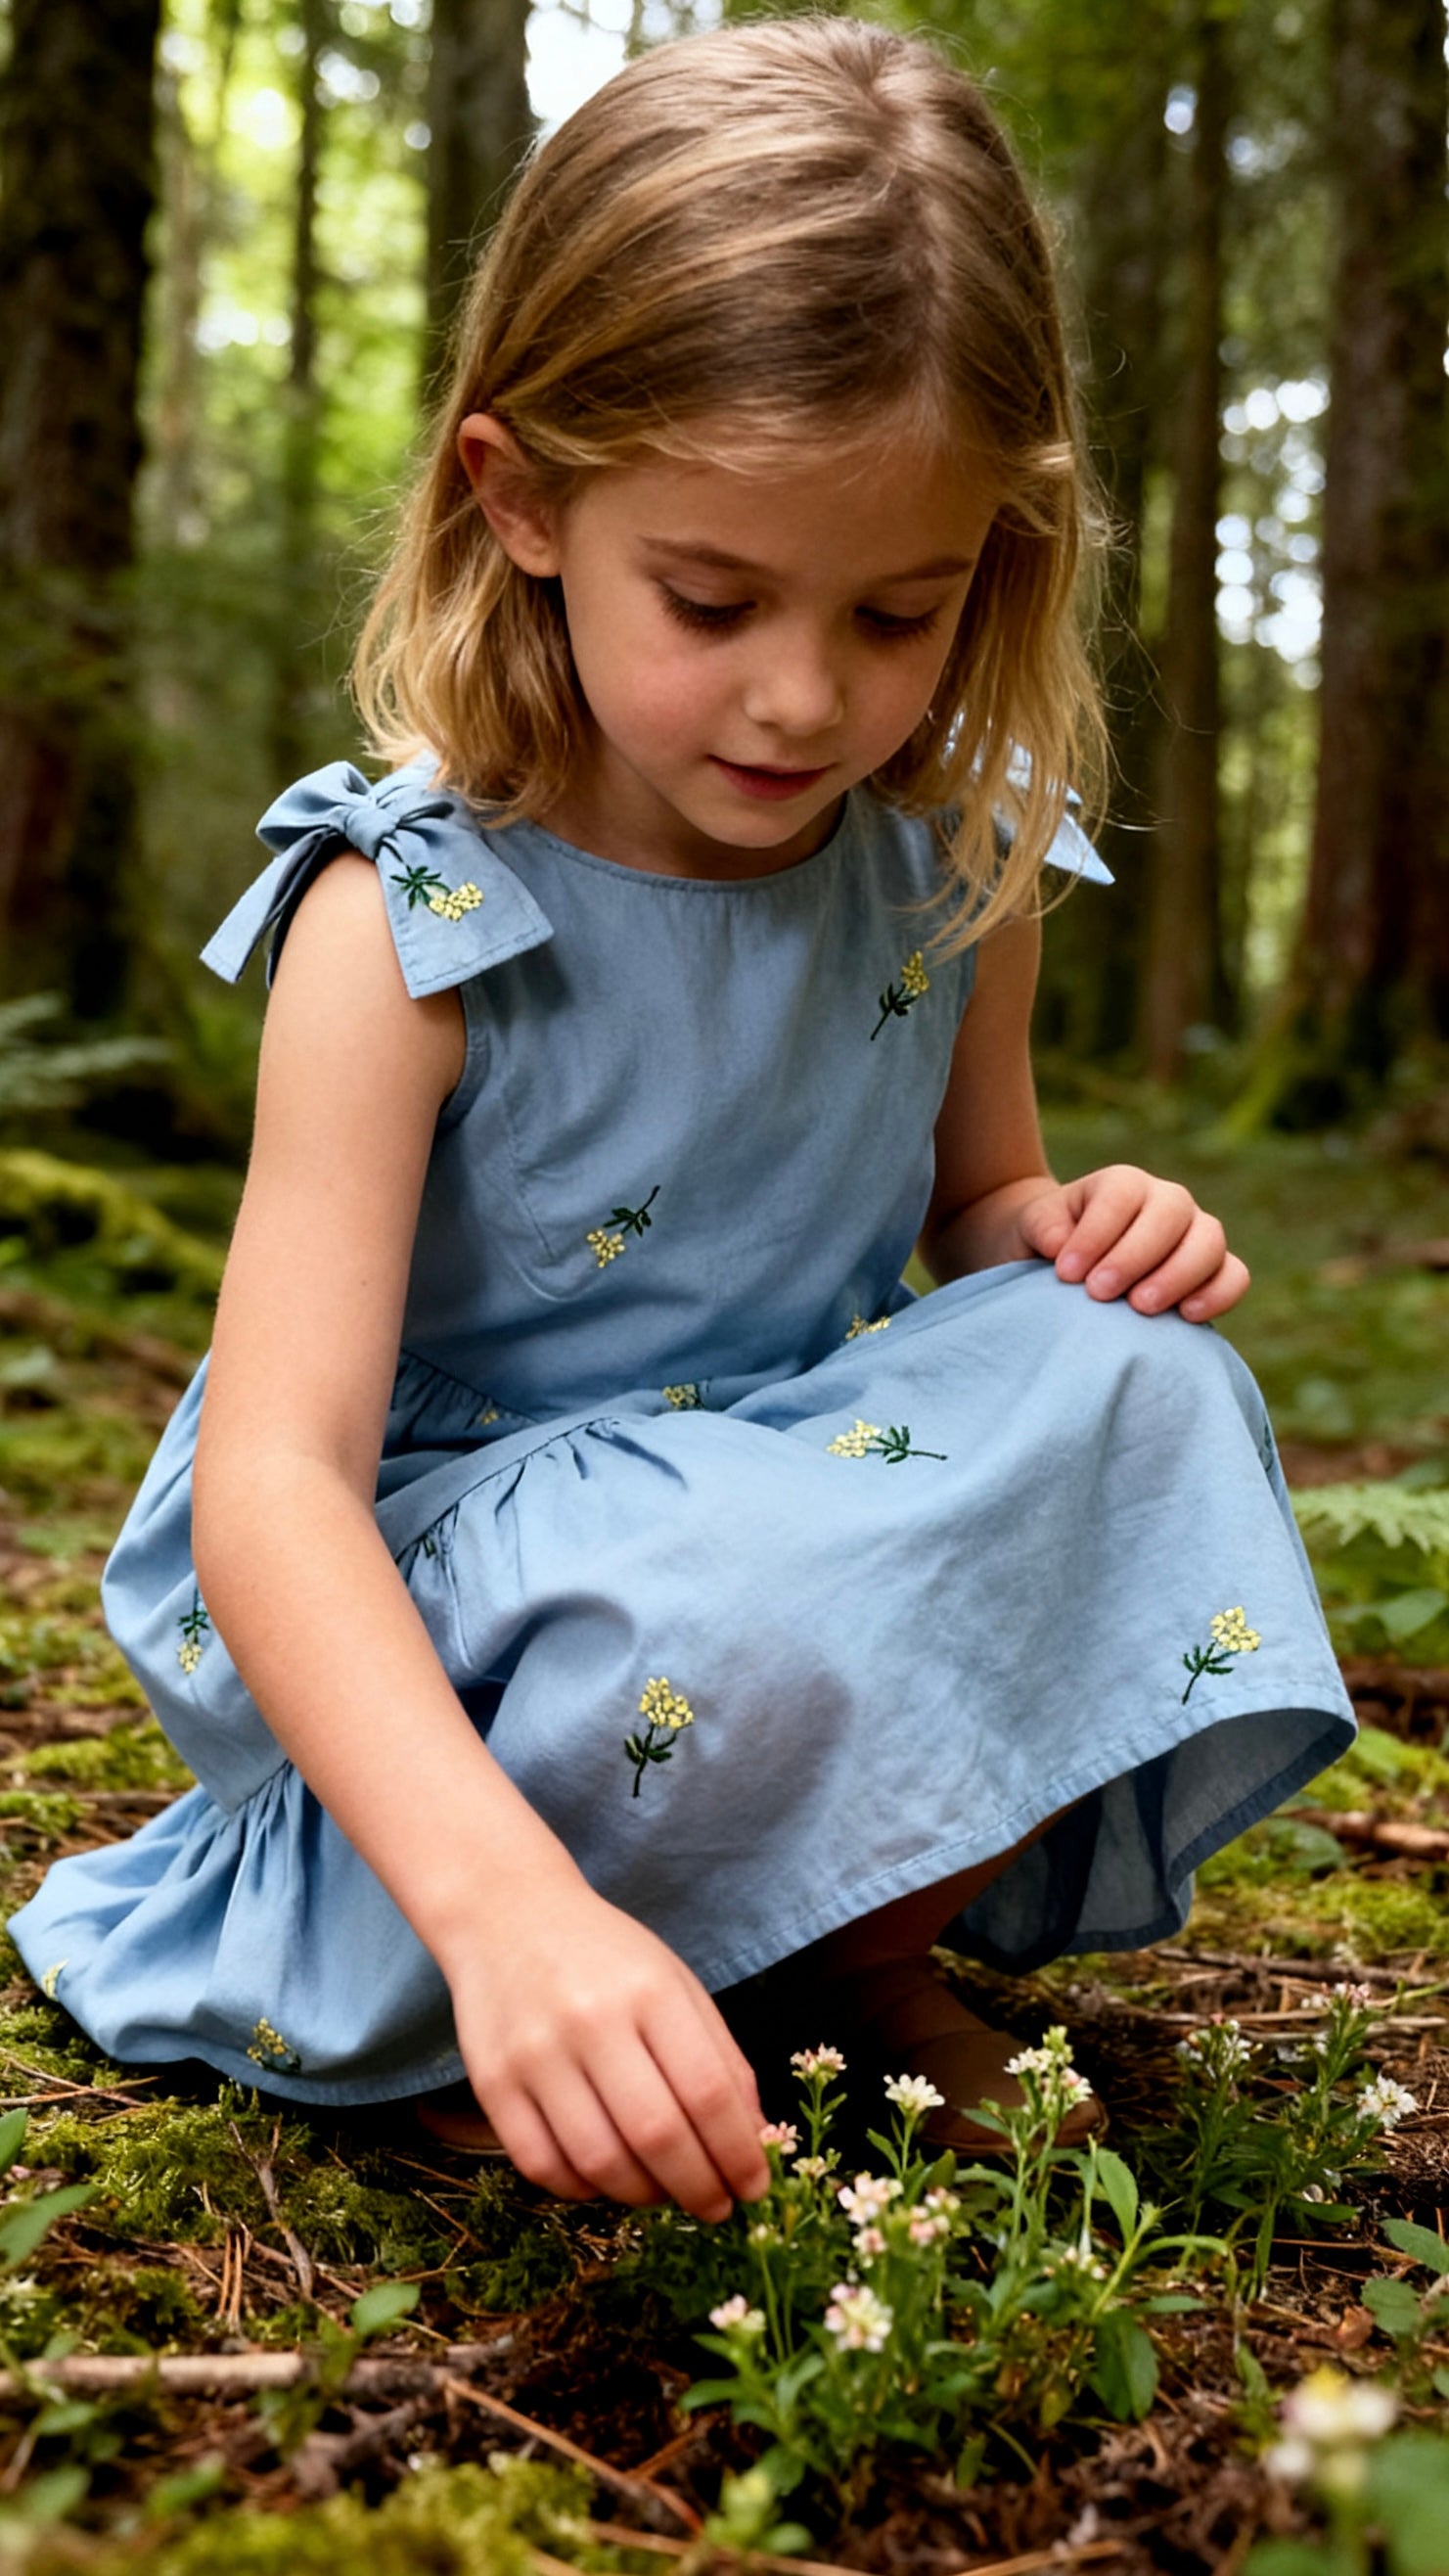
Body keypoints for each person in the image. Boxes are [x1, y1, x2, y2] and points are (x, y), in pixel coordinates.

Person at [11, 15, 1354, 2226]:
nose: (804, 694)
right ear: (521, 497)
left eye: (897, 610)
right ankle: (510, 1970)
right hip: (476, 1607)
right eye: (712, 600)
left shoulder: (950, 857)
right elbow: (270, 1485)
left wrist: (1076, 1233)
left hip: (785, 1497)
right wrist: (499, 1902)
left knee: (1152, 1384)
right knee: (713, 1595)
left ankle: (840, 1961)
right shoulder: (415, 912)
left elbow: (979, 1204)